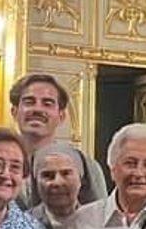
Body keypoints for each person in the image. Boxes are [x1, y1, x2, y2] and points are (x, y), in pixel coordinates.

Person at [10, 72, 108, 205]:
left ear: (61, 116)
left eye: (47, 103)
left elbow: (99, 213)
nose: (37, 109)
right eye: (29, 102)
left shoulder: (84, 166)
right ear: (14, 112)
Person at [29, 141, 94, 227]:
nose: (57, 182)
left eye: (66, 173)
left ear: (81, 179)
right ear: (36, 181)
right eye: (47, 175)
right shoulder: (23, 224)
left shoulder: (98, 223)